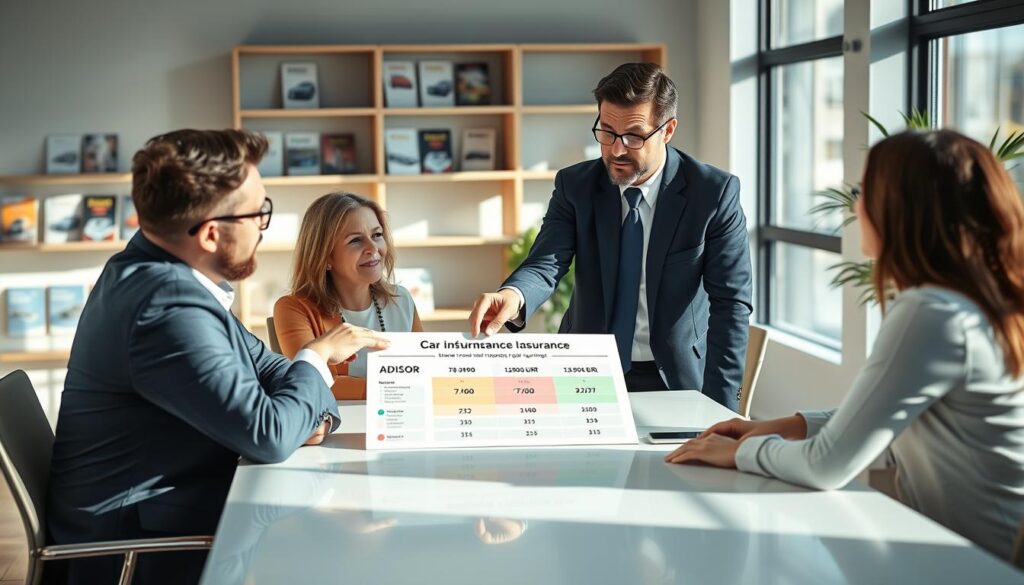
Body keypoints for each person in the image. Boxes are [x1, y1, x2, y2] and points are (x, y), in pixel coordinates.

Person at [45, 129, 389, 585]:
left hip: (181, 514)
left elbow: (267, 367)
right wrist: (316, 357)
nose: (263, 229)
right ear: (210, 234)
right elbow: (269, 434)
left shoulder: (160, 274)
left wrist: (305, 404)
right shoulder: (166, 305)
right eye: (258, 215)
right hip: (139, 551)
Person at [665, 129, 1024, 560]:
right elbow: (890, 413)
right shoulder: (972, 300)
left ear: (900, 209)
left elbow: (826, 465)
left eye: (862, 191)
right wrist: (778, 426)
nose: (854, 207)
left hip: (977, 564)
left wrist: (739, 452)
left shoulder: (931, 313)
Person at [468, 63, 752, 410]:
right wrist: (513, 295)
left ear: (668, 130)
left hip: (675, 377)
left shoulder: (712, 194)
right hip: (586, 369)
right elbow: (546, 262)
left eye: (634, 136)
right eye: (606, 131)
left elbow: (731, 305)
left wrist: (723, 409)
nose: (616, 150)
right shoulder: (575, 186)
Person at [273, 192, 422, 399]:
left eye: (377, 235)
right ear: (324, 256)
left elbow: (425, 370)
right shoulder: (293, 308)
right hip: (338, 429)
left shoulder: (402, 300)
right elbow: (313, 384)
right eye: (355, 241)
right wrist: (399, 390)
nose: (373, 248)